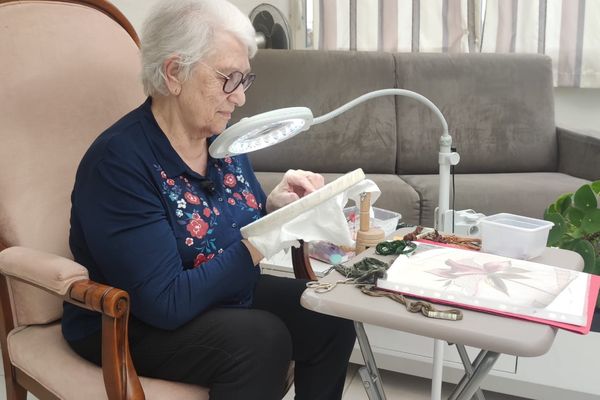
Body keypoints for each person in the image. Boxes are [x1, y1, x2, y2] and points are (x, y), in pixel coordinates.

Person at [61, 0, 356, 399]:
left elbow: (236, 220)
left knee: (328, 314)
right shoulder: (119, 164)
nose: (240, 98)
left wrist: (274, 207)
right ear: (173, 73)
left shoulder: (221, 139)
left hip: (216, 296)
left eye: (245, 80)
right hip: (129, 322)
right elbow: (165, 302)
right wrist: (261, 241)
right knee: (260, 339)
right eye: (228, 79)